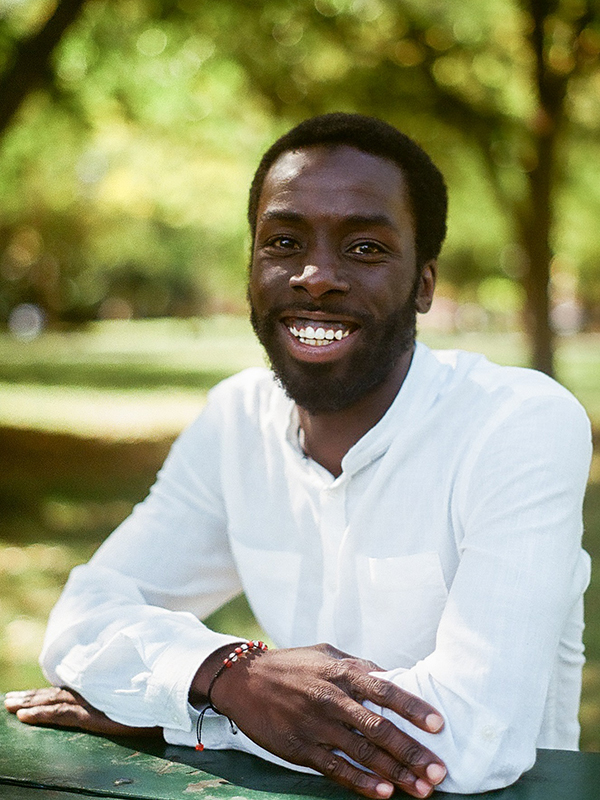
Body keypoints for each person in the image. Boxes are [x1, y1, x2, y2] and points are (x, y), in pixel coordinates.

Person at [5, 113, 592, 798]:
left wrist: (190, 710)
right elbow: (82, 620)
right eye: (284, 241)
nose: (316, 276)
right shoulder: (236, 420)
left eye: (366, 248)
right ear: (253, 267)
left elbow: (467, 741)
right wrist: (229, 675)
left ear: (424, 284)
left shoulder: (517, 423)